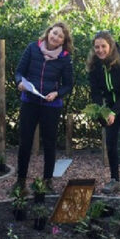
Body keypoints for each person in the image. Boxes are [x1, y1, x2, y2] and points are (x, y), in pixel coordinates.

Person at [14, 22, 74, 195]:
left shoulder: (65, 57)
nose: (55, 37)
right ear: (49, 33)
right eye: (54, 33)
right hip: (30, 102)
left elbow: (68, 84)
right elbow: (19, 72)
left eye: (60, 36)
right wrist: (19, 83)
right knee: (25, 141)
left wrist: (57, 93)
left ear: (63, 41)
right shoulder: (32, 48)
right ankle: (21, 181)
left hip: (51, 105)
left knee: (49, 143)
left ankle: (47, 181)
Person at [87, 31, 120, 199]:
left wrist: (113, 112)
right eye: (97, 47)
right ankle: (115, 179)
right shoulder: (94, 66)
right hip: (110, 105)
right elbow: (95, 92)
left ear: (110, 46)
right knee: (110, 142)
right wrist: (99, 111)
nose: (100, 50)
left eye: (103, 46)